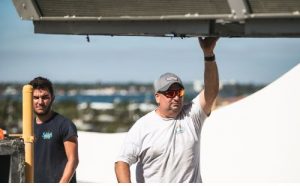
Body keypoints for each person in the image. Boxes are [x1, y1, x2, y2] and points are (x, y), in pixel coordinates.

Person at [114, 37, 219, 183]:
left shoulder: (192, 115)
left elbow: (211, 92)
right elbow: (121, 163)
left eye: (179, 93)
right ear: (157, 97)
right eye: (170, 93)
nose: (176, 97)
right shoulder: (143, 126)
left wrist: (209, 54)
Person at [29, 76, 79, 183]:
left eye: (45, 97)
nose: (40, 102)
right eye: (36, 97)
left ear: (53, 98)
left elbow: (73, 160)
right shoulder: (28, 127)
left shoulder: (65, 125)